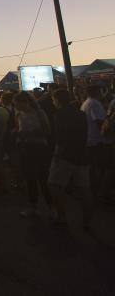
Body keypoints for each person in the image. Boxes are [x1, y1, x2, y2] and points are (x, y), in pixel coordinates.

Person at [47, 88, 93, 229]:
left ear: (58, 100)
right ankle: (87, 219)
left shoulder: (59, 115)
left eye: (54, 100)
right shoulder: (80, 113)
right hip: (82, 155)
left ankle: (62, 216)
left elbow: (60, 138)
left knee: (54, 185)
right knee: (84, 189)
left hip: (65, 156)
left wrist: (56, 154)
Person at [14, 91, 53, 218]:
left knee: (43, 179)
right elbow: (19, 129)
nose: (16, 106)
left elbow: (47, 130)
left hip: (39, 147)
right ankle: (33, 206)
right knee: (30, 178)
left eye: (17, 104)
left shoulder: (39, 113)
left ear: (25, 102)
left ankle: (51, 207)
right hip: (26, 148)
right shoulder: (18, 114)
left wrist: (29, 133)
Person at [82, 85, 113, 199]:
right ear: (96, 92)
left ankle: (98, 191)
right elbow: (100, 122)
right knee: (104, 167)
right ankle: (102, 192)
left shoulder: (86, 103)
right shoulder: (94, 103)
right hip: (98, 141)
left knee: (96, 167)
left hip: (91, 140)